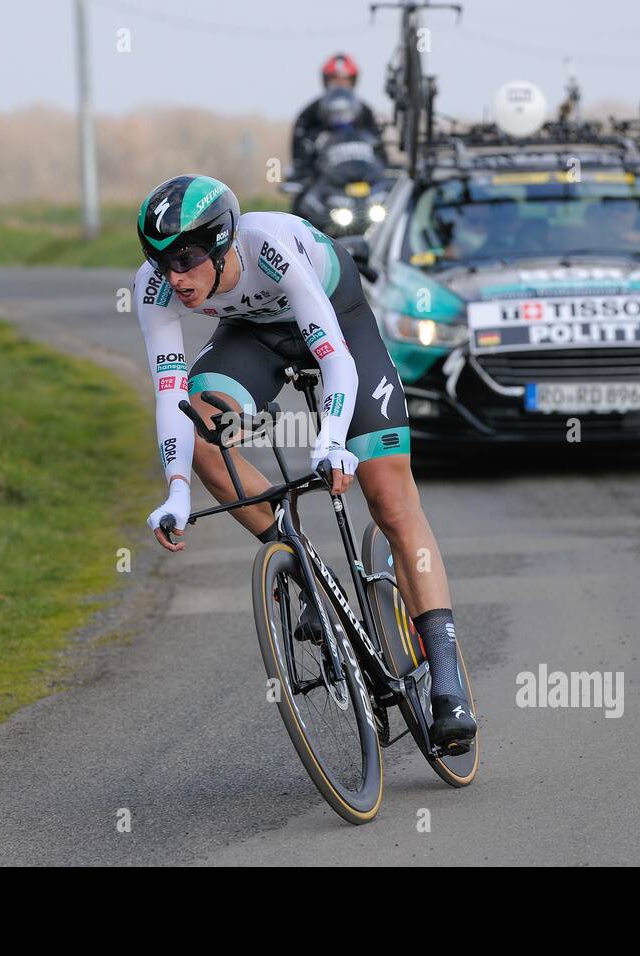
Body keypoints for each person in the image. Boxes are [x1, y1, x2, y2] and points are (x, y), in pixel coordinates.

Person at [134, 174, 477, 754]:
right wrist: (175, 492)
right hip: (252, 339)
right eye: (159, 260)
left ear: (222, 243)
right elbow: (170, 395)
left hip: (338, 326)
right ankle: (306, 571)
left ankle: (445, 670)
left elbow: (335, 360)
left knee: (391, 501)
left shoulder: (270, 245)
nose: (173, 277)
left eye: (187, 259)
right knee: (200, 432)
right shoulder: (155, 287)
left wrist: (333, 440)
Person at [291, 53, 381, 177]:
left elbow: (378, 146)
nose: (340, 84)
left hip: (362, 176)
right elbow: (299, 150)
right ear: (326, 80)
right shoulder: (311, 112)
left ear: (352, 81)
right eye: (335, 79)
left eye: (345, 79)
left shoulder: (365, 111)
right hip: (322, 178)